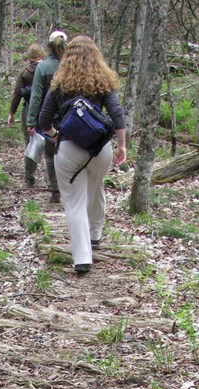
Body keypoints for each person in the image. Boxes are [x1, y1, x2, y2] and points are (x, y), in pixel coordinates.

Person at [38, 35, 126, 275]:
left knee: (75, 202)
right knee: (96, 188)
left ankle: (82, 258)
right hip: (100, 148)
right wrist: (122, 145)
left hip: (68, 149)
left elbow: (43, 121)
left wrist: (57, 137)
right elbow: (117, 113)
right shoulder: (103, 81)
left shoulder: (59, 84)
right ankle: (95, 234)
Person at [26, 30, 68, 204]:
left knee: (50, 155)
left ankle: (55, 190)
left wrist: (31, 121)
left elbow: (36, 96)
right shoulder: (71, 66)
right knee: (69, 154)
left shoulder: (42, 67)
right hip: (69, 118)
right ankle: (68, 189)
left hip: (48, 118)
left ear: (49, 46)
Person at [7, 43, 46, 188]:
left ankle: (30, 176)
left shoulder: (25, 73)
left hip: (29, 110)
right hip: (48, 112)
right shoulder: (50, 70)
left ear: (30, 56)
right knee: (50, 143)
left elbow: (17, 94)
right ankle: (51, 180)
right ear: (42, 55)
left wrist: (11, 112)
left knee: (31, 142)